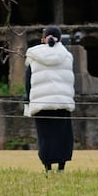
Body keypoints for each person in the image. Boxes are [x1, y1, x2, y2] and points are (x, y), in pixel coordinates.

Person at [24, 25, 76, 172]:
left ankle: (47, 167)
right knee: (62, 136)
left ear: (43, 39)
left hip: (41, 103)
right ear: (60, 39)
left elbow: (28, 81)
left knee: (45, 136)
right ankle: (61, 167)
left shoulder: (34, 55)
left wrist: (28, 99)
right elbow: (70, 79)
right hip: (62, 102)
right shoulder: (67, 55)